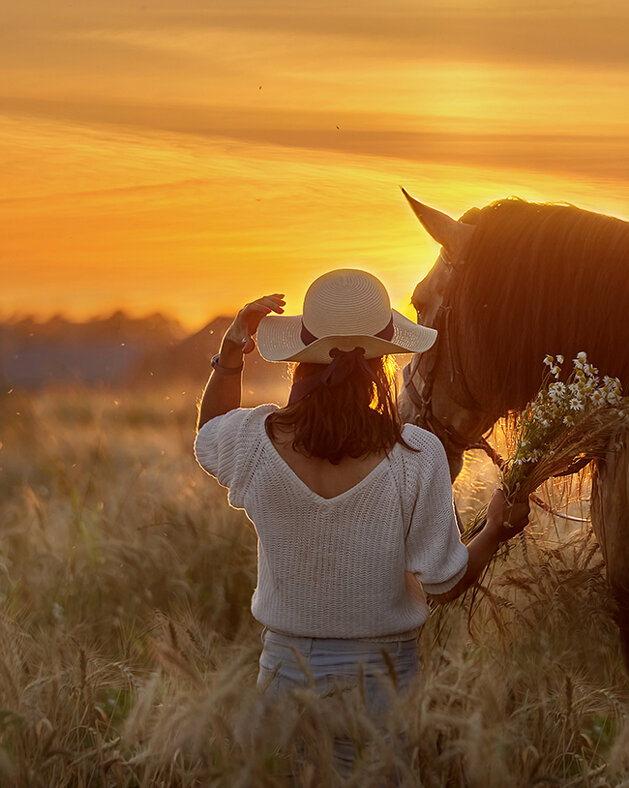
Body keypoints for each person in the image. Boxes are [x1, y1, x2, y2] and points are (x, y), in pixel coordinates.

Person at [193, 268, 529, 766]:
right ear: (382, 366)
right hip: (384, 690)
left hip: (285, 683)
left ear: (301, 362)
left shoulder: (254, 441)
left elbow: (209, 432)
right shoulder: (416, 456)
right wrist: (496, 527)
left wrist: (229, 359)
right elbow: (444, 585)